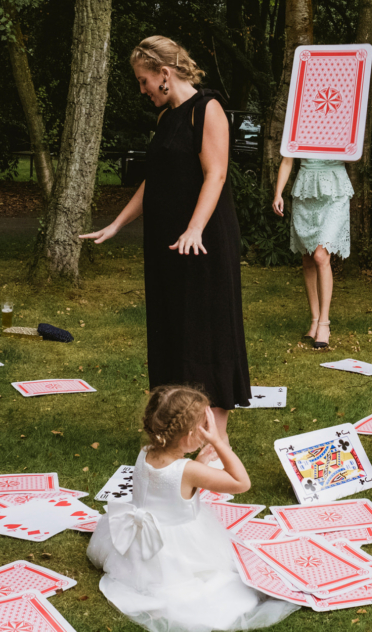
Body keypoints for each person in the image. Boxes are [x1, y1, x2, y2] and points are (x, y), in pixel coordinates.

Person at [81, 36, 250, 444]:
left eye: (143, 81)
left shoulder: (207, 110)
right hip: (167, 247)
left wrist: (194, 228)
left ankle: (216, 440)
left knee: (209, 331)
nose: (141, 90)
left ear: (164, 74)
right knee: (174, 330)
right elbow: (153, 182)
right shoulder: (165, 118)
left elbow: (216, 174)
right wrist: (117, 224)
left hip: (203, 241)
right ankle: (183, 428)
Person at [87, 385, 298, 632]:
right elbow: (242, 483)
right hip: (175, 551)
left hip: (138, 544)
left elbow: (170, 486)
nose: (208, 432)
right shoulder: (188, 471)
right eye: (204, 428)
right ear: (189, 435)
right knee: (226, 586)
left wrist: (200, 462)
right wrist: (219, 443)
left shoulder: (146, 453)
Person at [272, 156, 353, 347]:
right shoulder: (297, 124)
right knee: (308, 258)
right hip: (306, 189)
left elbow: (354, 153)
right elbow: (287, 160)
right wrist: (278, 194)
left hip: (335, 189)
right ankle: (315, 320)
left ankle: (324, 323)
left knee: (320, 255)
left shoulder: (342, 124)